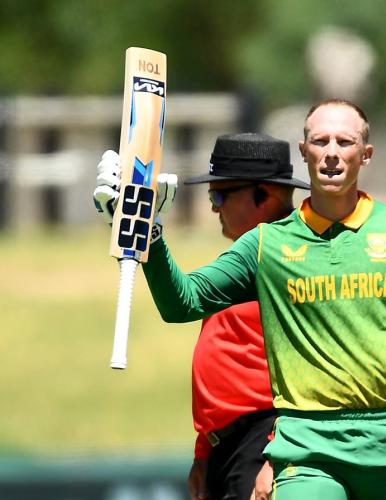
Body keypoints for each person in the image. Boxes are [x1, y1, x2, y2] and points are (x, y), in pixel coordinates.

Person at [97, 99, 386, 499]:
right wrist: (149, 233)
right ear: (304, 152)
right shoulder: (265, 245)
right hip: (307, 448)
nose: (332, 152)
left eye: (345, 141)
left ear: (365, 154)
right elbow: (183, 303)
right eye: (320, 141)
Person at [94, 133, 310, 500]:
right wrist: (205, 451)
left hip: (267, 442)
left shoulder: (297, 256)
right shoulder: (244, 259)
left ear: (265, 194)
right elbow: (187, 307)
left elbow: (315, 377)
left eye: (220, 194)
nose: (214, 208)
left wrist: (279, 456)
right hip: (227, 445)